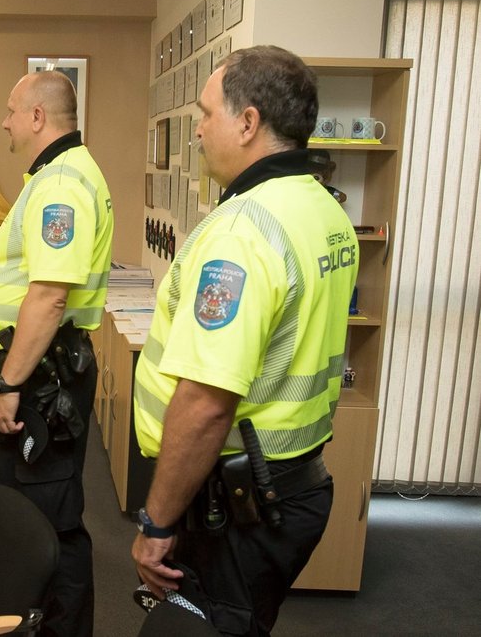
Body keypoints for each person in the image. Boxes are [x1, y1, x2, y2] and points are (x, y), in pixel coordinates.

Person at [131, 45, 358, 636]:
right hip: (294, 485)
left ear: (249, 122)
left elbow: (207, 403)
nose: (199, 131)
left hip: (236, 504)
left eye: (207, 114)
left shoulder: (242, 230)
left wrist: (157, 524)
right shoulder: (326, 210)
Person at [0, 70, 114, 637]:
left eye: (10, 110)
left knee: (48, 519)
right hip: (38, 372)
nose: (3, 122)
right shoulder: (56, 175)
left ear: (37, 117)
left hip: (39, 379)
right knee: (35, 511)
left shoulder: (61, 184)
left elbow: (51, 296)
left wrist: (8, 384)